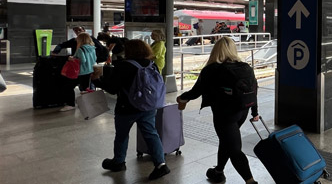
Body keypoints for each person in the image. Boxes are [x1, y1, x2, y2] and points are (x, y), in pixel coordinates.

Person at [176, 37, 259, 184]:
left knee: (234, 148)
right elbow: (253, 90)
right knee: (227, 141)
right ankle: (218, 172)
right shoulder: (245, 67)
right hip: (242, 111)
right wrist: (254, 112)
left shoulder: (211, 69)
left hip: (224, 114)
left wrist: (182, 98)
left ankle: (250, 181)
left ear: (216, 50)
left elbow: (196, 92)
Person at [100, 40, 170, 180]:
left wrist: (97, 80)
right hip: (148, 106)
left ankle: (119, 162)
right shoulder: (152, 64)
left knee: (122, 135)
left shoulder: (123, 66)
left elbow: (112, 89)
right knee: (151, 134)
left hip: (127, 108)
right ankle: (161, 164)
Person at [59, 33, 97, 112]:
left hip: (80, 72)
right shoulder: (92, 48)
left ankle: (70, 104)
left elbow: (82, 60)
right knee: (85, 89)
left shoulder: (80, 49)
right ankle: (87, 104)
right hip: (89, 70)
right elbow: (95, 58)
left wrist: (72, 58)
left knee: (68, 87)